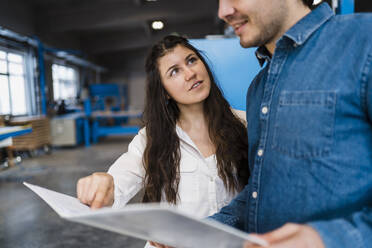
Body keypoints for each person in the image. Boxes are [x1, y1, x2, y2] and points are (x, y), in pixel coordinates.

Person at [205, 0, 372, 247]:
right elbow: (259, 190)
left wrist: (327, 239)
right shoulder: (258, 88)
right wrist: (203, 231)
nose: (223, 12)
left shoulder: (363, 40)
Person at [76, 35, 250, 247]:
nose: (190, 73)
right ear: (164, 92)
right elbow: (118, 184)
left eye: (192, 60)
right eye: (174, 71)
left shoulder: (244, 124)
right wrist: (103, 184)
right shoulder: (150, 139)